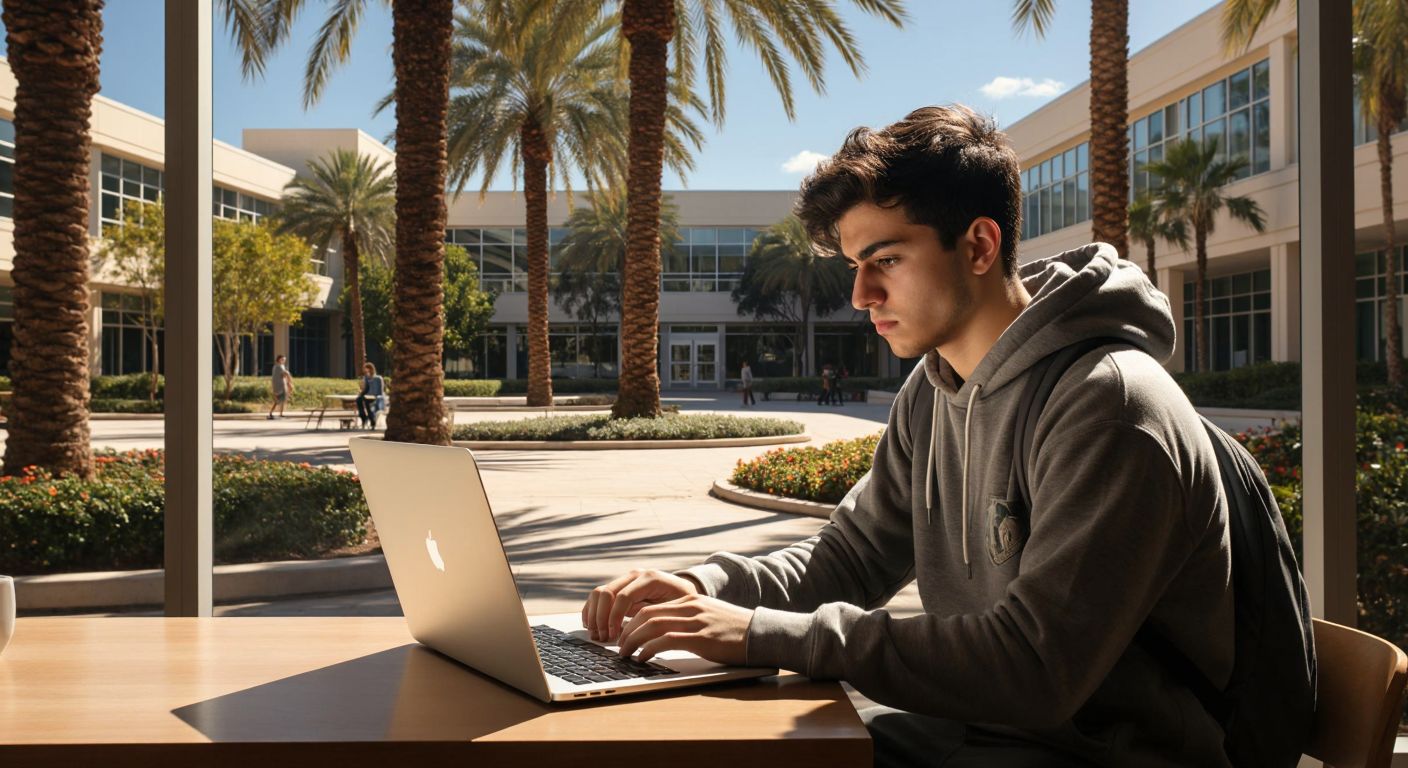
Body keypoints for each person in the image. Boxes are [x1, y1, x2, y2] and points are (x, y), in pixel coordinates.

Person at [581, 105, 1235, 767]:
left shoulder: (1109, 404)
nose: (861, 294)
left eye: (886, 259)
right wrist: (698, 589)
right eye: (854, 266)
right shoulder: (932, 390)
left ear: (979, 245)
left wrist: (760, 635)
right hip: (988, 735)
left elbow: (1035, 667)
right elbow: (849, 559)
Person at [356, 361, 387, 429]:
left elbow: (380, 391)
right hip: (368, 396)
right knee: (358, 400)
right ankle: (363, 417)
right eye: (365, 371)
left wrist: (375, 396)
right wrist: (361, 393)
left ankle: (372, 421)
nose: (366, 372)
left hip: (376, 397)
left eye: (367, 370)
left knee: (367, 402)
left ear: (371, 369)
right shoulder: (366, 378)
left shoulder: (378, 378)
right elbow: (366, 389)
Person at [267, 354, 293, 420]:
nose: (283, 361)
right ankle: (271, 413)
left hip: (283, 384)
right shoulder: (277, 367)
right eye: (282, 359)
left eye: (284, 360)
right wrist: (290, 382)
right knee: (278, 401)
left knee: (283, 400)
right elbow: (285, 374)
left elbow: (284, 375)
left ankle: (280, 413)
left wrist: (288, 382)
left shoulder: (282, 366)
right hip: (279, 386)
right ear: (278, 359)